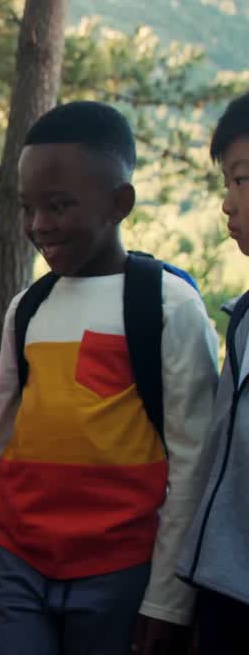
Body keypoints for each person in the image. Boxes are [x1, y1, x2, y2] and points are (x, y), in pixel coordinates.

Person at [0, 101, 218, 655]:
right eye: (28, 207)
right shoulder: (27, 308)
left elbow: (193, 463)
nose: (38, 226)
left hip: (121, 570)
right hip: (13, 563)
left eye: (58, 206)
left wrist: (168, 601)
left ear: (120, 203)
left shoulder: (168, 305)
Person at [177, 91, 249, 654]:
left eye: (242, 181)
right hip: (224, 594)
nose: (227, 204)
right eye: (227, 183)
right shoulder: (243, 321)